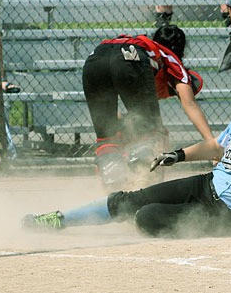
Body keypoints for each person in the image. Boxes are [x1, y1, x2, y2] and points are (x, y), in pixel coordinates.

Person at [23, 69, 231, 240]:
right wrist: (176, 156)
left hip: (226, 217)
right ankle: (59, 219)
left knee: (147, 217)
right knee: (128, 200)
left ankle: (134, 221)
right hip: (204, 185)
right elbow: (215, 148)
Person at [83, 24, 214, 191]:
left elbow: (112, 115)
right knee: (153, 134)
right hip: (129, 57)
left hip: (94, 59)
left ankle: (114, 197)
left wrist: (125, 128)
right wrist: (211, 143)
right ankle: (147, 191)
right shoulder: (170, 57)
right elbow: (189, 102)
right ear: (181, 51)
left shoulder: (144, 48)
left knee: (107, 139)